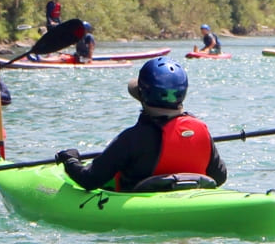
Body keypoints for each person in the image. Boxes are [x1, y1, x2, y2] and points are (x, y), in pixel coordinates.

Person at [60, 57, 227, 192]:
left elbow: (89, 180)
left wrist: (70, 160)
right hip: (192, 199)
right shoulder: (200, 130)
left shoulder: (132, 138)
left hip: (142, 210)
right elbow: (219, 177)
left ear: (143, 94)